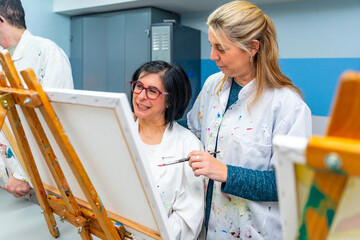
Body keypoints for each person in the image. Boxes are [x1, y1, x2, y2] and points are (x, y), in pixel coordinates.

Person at [185, 1, 312, 239]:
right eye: (211, 46)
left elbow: (290, 185)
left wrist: (226, 173)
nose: (213, 56)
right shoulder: (213, 85)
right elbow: (192, 130)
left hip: (254, 231)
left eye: (221, 48)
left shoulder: (287, 106)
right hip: (209, 225)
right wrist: (152, 120)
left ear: (253, 48)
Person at [0, 0, 74, 198]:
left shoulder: (47, 53)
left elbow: (55, 120)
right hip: (7, 179)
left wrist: (24, 175)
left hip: (39, 182)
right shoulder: (2, 58)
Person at [131, 60, 204, 239]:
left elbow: (188, 221)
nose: (140, 96)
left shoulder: (188, 146)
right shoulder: (117, 130)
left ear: (169, 101)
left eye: (152, 91)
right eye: (138, 86)